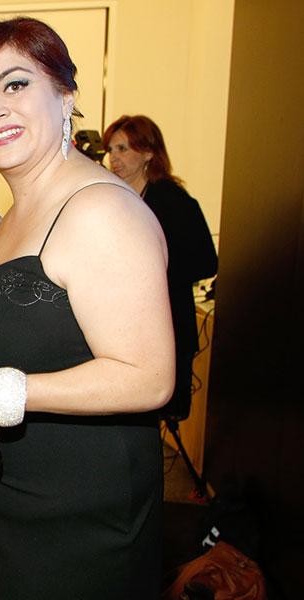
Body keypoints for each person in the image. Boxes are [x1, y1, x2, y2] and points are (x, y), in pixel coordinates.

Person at [0, 18, 175, 599]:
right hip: (8, 513)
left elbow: (149, 378)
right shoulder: (13, 214)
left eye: (16, 84)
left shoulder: (101, 209)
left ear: (66, 95)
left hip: (82, 528)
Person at [104, 114, 218, 420]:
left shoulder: (173, 200)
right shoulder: (120, 197)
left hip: (168, 325)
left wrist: (149, 273)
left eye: (123, 149)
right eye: (111, 150)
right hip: (130, 326)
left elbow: (206, 261)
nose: (114, 158)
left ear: (148, 153)